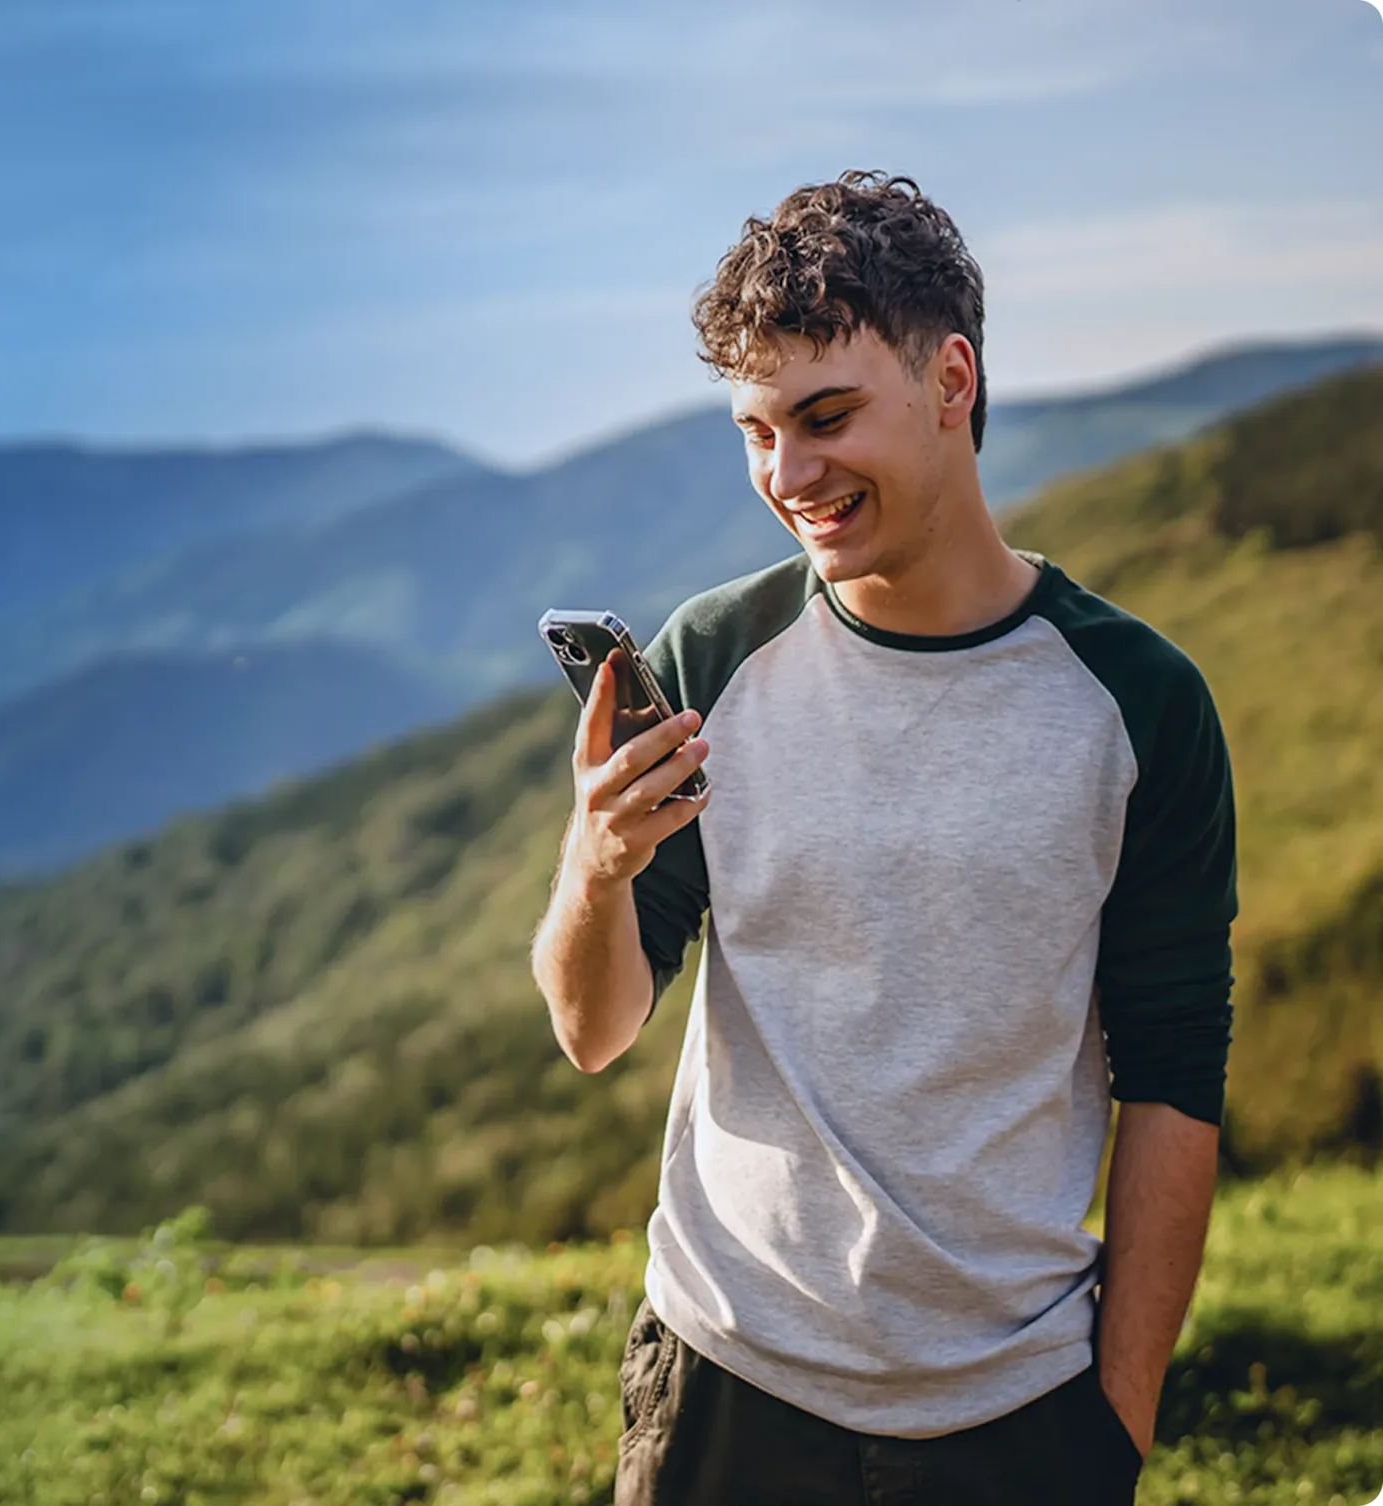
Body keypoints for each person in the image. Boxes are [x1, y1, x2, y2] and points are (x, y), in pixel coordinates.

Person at [529, 170, 1235, 1505]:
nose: (788, 476)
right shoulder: (714, 657)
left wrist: (1116, 1424)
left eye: (826, 415)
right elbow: (595, 1026)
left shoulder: (1140, 707)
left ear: (951, 380)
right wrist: (595, 867)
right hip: (726, 1385)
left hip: (1016, 1417)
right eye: (754, 432)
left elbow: (1176, 1078)